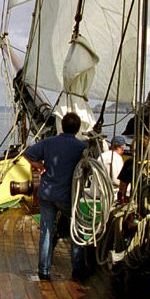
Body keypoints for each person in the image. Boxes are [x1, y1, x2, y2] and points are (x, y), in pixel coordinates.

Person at [22, 112, 89, 282]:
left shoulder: (49, 142)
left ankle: (44, 271)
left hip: (46, 194)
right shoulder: (81, 147)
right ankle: (78, 270)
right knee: (76, 230)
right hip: (66, 196)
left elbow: (28, 153)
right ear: (78, 129)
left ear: (61, 126)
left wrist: (39, 166)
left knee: (46, 232)